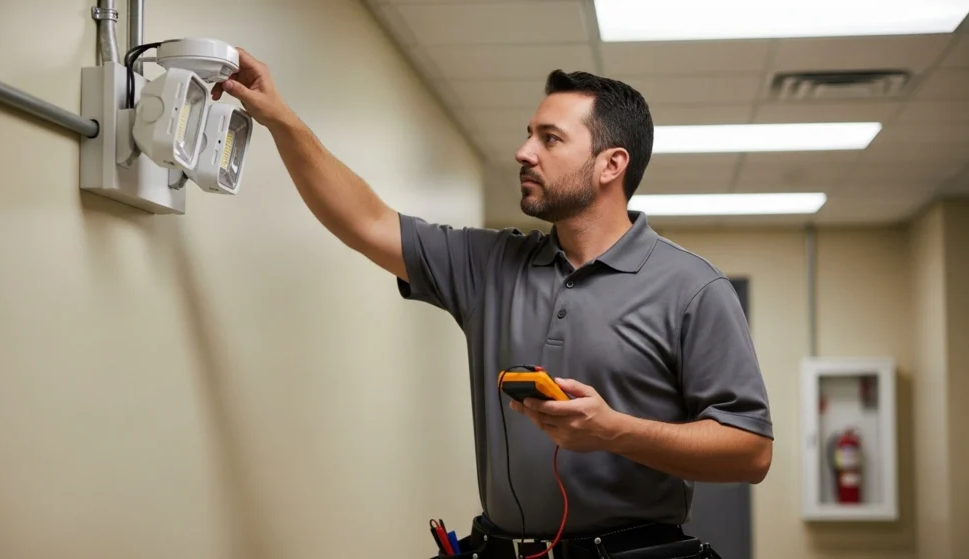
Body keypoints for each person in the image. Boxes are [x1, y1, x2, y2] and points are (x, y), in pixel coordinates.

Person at [213, 48, 774, 559]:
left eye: (550, 139)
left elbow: (750, 452)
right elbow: (367, 222)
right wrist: (280, 118)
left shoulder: (692, 288)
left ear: (611, 164)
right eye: (529, 133)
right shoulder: (491, 265)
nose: (523, 151)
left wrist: (611, 430)